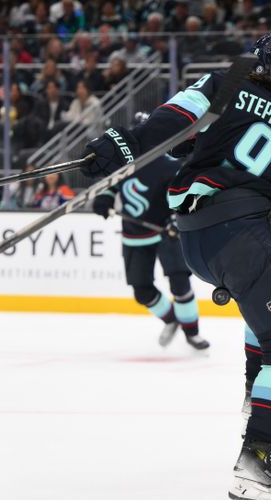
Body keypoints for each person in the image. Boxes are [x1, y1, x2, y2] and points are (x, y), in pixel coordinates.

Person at [80, 34, 271, 500]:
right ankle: (255, 457)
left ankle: (257, 392)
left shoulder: (226, 84)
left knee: (265, 317)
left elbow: (173, 124)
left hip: (195, 239)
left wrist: (124, 145)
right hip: (241, 235)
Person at [92, 113, 209, 351]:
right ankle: (172, 320)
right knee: (142, 290)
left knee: (179, 281)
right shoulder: (124, 163)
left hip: (167, 232)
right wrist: (103, 200)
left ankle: (192, 332)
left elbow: (182, 198)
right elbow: (111, 187)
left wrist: (177, 219)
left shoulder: (172, 165)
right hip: (134, 233)